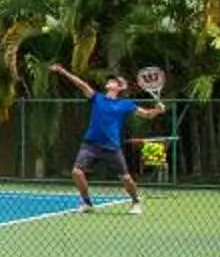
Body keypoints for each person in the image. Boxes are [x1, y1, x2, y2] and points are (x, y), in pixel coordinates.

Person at [48, 62, 164, 213]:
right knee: (77, 172)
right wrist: (62, 71)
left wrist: (158, 110)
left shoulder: (126, 104)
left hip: (112, 147)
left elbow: (147, 114)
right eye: (110, 81)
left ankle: (136, 202)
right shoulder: (97, 98)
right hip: (90, 144)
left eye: (114, 81)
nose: (110, 82)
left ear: (121, 88)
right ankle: (87, 203)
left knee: (126, 178)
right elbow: (81, 84)